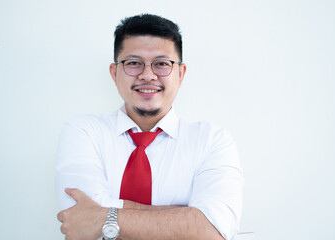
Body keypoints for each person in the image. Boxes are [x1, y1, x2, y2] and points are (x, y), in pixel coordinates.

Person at [55, 13, 244, 240]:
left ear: (180, 74)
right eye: (133, 63)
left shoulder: (212, 141)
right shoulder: (83, 132)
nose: (148, 75)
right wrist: (187, 217)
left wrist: (103, 217)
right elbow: (79, 218)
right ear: (114, 73)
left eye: (162, 64)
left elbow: (213, 231)